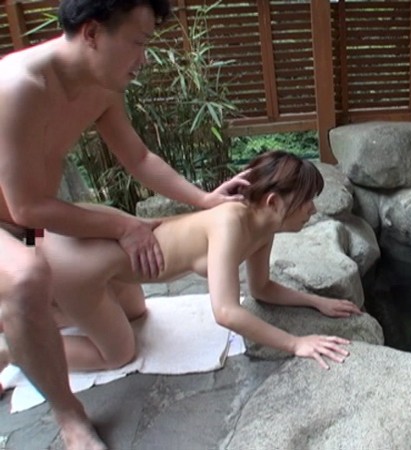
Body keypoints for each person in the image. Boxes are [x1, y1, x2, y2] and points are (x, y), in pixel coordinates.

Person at [0, 1, 248, 448]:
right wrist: (122, 226)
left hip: (33, 219)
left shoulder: (101, 84)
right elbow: (26, 209)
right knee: (27, 278)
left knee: (133, 311)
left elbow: (138, 158)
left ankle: (31, 332)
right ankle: (68, 414)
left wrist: (204, 200)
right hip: (18, 220)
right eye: (138, 42)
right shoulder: (19, 87)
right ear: (92, 33)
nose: (144, 58)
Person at [31, 151, 361, 376]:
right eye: (306, 202)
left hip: (110, 252)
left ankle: (55, 309)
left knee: (136, 313)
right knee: (118, 353)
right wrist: (295, 343)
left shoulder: (263, 226)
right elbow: (226, 312)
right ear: (274, 202)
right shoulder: (230, 223)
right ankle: (18, 349)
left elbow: (261, 288)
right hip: (78, 262)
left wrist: (316, 302)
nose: (312, 210)